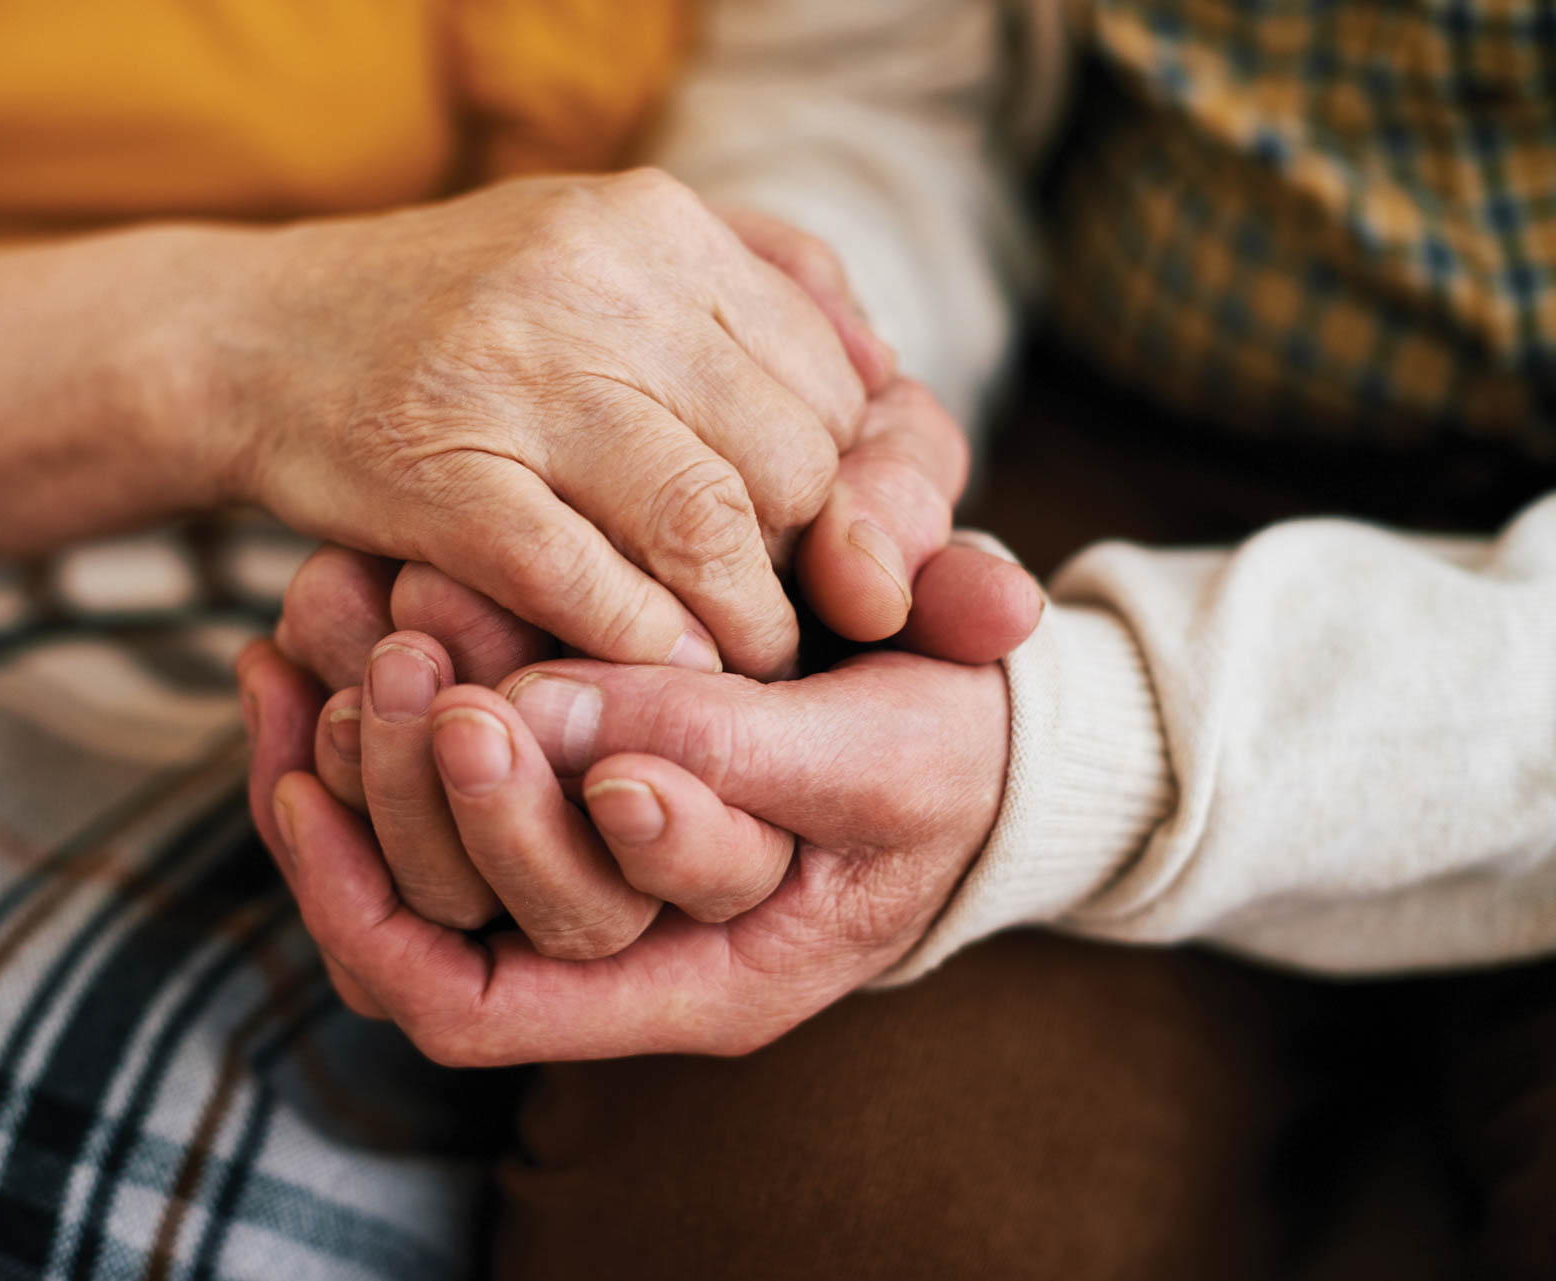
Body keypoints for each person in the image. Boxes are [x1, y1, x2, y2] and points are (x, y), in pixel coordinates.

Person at [0, 2, 1044, 1278]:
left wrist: (742, 397)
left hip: (347, 526)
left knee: (19, 1191)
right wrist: (261, 347)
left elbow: (855, 114)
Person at [235, 0, 1556, 1275]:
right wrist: (768, 418)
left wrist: (1086, 752)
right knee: (811, 1220)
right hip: (1101, 432)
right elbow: (868, 89)